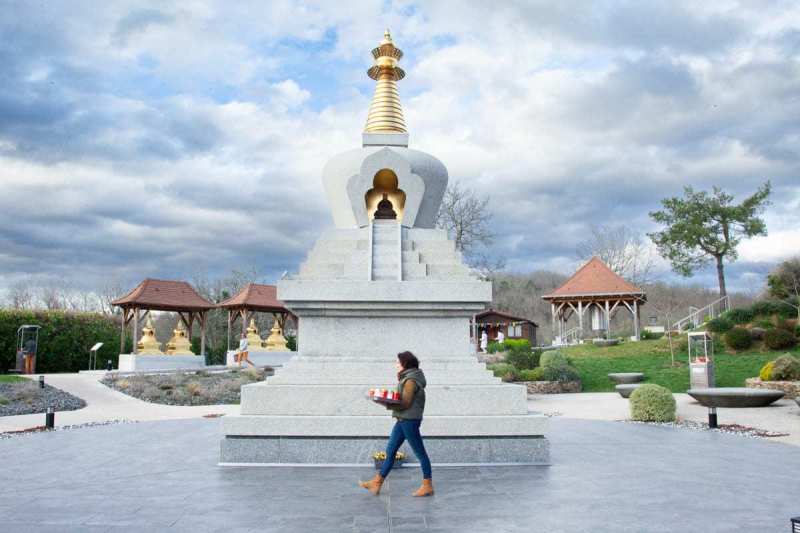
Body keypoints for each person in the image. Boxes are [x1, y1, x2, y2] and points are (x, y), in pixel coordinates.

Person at [360, 351, 433, 497]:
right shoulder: (407, 378)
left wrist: (384, 402)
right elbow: (401, 398)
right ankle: (377, 483)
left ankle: (427, 485)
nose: (396, 365)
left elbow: (405, 402)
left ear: (405, 364)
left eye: (398, 362)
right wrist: (385, 398)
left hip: (409, 421)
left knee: (420, 453)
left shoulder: (411, 380)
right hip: (402, 419)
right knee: (390, 451)